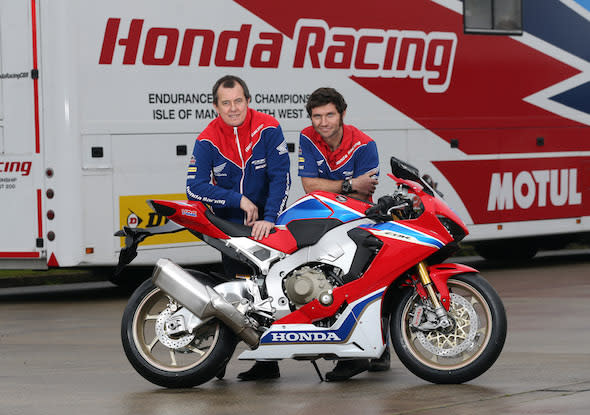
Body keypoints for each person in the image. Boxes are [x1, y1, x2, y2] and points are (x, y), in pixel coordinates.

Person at [299, 87, 390, 381]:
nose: (323, 123)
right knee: (324, 284)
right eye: (317, 116)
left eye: (329, 115)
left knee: (366, 283)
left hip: (357, 223)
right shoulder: (306, 137)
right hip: (321, 221)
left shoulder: (365, 145)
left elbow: (366, 196)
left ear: (342, 115)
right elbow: (309, 186)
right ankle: (341, 347)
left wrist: (333, 187)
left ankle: (376, 351)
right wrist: (349, 185)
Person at [186, 74, 291, 285]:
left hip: (266, 226)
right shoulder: (207, 139)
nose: (233, 108)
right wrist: (238, 199)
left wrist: (270, 218)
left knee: (273, 287)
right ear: (216, 106)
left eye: (238, 101)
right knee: (237, 290)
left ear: (248, 101)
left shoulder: (268, 127)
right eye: (226, 103)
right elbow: (194, 188)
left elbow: (281, 177)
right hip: (230, 229)